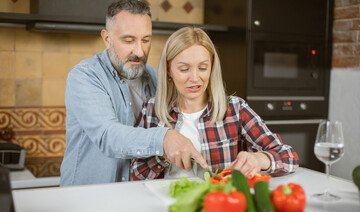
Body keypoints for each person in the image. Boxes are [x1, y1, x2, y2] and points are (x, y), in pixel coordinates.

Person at [60, 0, 207, 186]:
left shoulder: (152, 75)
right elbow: (108, 136)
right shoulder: (84, 76)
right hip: (89, 196)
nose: (139, 51)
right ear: (107, 39)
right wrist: (163, 138)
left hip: (137, 193)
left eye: (146, 40)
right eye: (128, 40)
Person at [131, 27, 299, 180]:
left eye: (203, 68)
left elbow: (289, 157)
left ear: (212, 68)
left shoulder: (235, 109)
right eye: (184, 69)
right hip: (166, 204)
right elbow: (135, 174)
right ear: (168, 69)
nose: (195, 78)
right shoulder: (151, 110)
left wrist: (259, 159)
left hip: (219, 204)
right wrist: (162, 156)